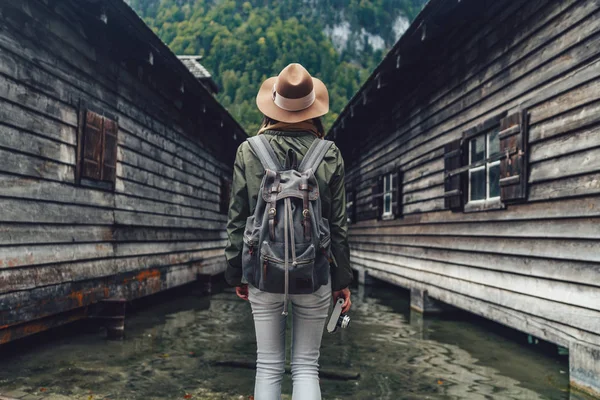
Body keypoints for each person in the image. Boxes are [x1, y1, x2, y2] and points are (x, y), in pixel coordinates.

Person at [224, 63, 353, 400]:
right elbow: (338, 226)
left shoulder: (248, 151)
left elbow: (237, 221)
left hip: (263, 271)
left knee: (267, 364)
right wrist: (342, 282)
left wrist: (237, 273)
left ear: (273, 104)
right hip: (315, 272)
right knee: (307, 366)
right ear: (314, 108)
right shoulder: (330, 154)